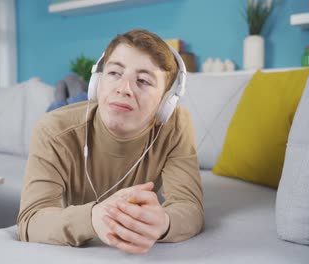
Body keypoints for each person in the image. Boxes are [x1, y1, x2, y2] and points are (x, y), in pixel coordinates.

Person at [17, 29, 204, 254]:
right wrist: (94, 217)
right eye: (114, 73)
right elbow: (31, 220)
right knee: (65, 99)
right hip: (74, 118)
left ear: (166, 101)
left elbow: (189, 207)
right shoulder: (51, 129)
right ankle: (70, 89)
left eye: (143, 81)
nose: (123, 89)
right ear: (97, 81)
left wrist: (163, 222)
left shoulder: (175, 125)